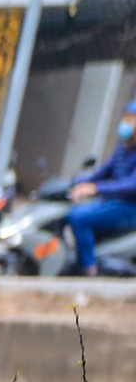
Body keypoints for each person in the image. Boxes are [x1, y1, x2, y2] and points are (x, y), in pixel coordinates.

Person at [68, 100, 136, 276]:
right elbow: (102, 173)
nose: (125, 124)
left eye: (130, 119)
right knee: (69, 213)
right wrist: (77, 183)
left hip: (129, 208)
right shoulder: (123, 148)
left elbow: (131, 186)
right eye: (125, 119)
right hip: (113, 203)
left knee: (79, 217)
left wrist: (96, 189)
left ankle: (89, 269)